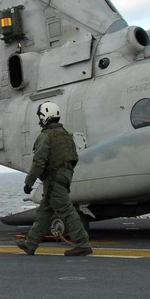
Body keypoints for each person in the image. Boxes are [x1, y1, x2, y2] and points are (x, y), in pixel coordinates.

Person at [15, 102, 93, 257]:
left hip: (54, 178)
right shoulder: (65, 135)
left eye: (40, 116)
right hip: (64, 176)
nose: (39, 119)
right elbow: (74, 157)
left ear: (46, 116)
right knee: (45, 211)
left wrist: (29, 182)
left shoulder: (45, 136)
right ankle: (31, 244)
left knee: (65, 210)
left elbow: (39, 162)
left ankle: (83, 244)